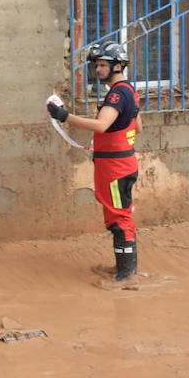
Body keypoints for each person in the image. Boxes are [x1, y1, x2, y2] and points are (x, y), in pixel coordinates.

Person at [47, 41, 140, 283]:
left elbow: (101, 125)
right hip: (122, 163)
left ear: (117, 66)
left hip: (115, 168)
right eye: (96, 65)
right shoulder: (129, 91)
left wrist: (65, 116)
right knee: (119, 216)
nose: (97, 70)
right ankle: (123, 269)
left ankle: (127, 277)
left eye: (102, 65)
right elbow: (137, 126)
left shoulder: (118, 94)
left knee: (119, 220)